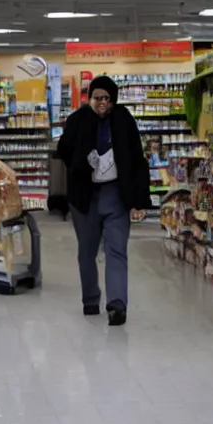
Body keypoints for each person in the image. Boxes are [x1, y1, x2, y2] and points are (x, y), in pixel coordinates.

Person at [56, 75, 151, 326]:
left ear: (114, 100)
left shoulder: (123, 120)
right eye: (97, 97)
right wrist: (80, 161)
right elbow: (63, 150)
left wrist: (139, 197)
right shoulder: (77, 120)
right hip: (84, 196)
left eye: (107, 98)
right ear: (89, 98)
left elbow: (136, 156)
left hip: (116, 194)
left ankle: (117, 305)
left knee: (116, 250)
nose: (102, 103)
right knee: (87, 252)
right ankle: (90, 299)